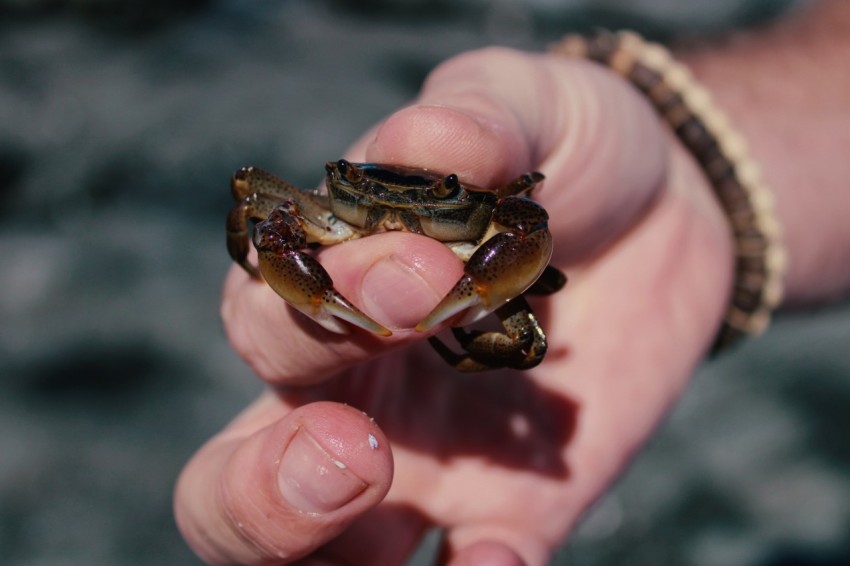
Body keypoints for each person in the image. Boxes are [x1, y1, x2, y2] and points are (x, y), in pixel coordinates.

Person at [174, 1, 850, 563]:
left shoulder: (502, 217)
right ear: (339, 180)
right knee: (266, 207)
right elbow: (250, 201)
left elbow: (530, 250)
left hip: (473, 245)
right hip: (363, 236)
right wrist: (256, 263)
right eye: (354, 187)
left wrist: (678, 190)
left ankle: (458, 341)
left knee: (525, 335)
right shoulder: (321, 206)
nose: (395, 215)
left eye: (430, 199)